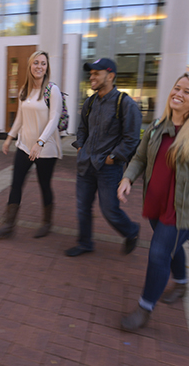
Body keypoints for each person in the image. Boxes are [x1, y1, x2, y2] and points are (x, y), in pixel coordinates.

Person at [118, 72, 189, 331]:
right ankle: (181, 282)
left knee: (159, 253)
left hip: (186, 208)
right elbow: (139, 158)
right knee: (171, 247)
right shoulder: (158, 126)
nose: (178, 94)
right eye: (176, 88)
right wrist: (128, 178)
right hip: (158, 204)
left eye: (187, 92)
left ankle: (144, 308)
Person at [65, 58, 142, 257]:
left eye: (96, 73)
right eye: (90, 74)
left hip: (108, 168)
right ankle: (85, 243)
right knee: (83, 208)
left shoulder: (124, 103)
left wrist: (113, 158)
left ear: (110, 76)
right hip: (85, 165)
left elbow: (132, 138)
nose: (91, 77)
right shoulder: (89, 102)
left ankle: (131, 231)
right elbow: (82, 128)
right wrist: (81, 147)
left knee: (109, 210)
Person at [0, 50, 63, 239]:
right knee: (16, 184)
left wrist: (40, 142)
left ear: (47, 68)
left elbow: (54, 119)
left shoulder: (52, 90)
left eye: (43, 63)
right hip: (24, 146)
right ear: (30, 66)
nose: (39, 67)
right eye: (36, 63)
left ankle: (47, 222)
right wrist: (9, 137)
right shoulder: (24, 90)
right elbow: (20, 118)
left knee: (44, 185)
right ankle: (8, 225)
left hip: (46, 148)